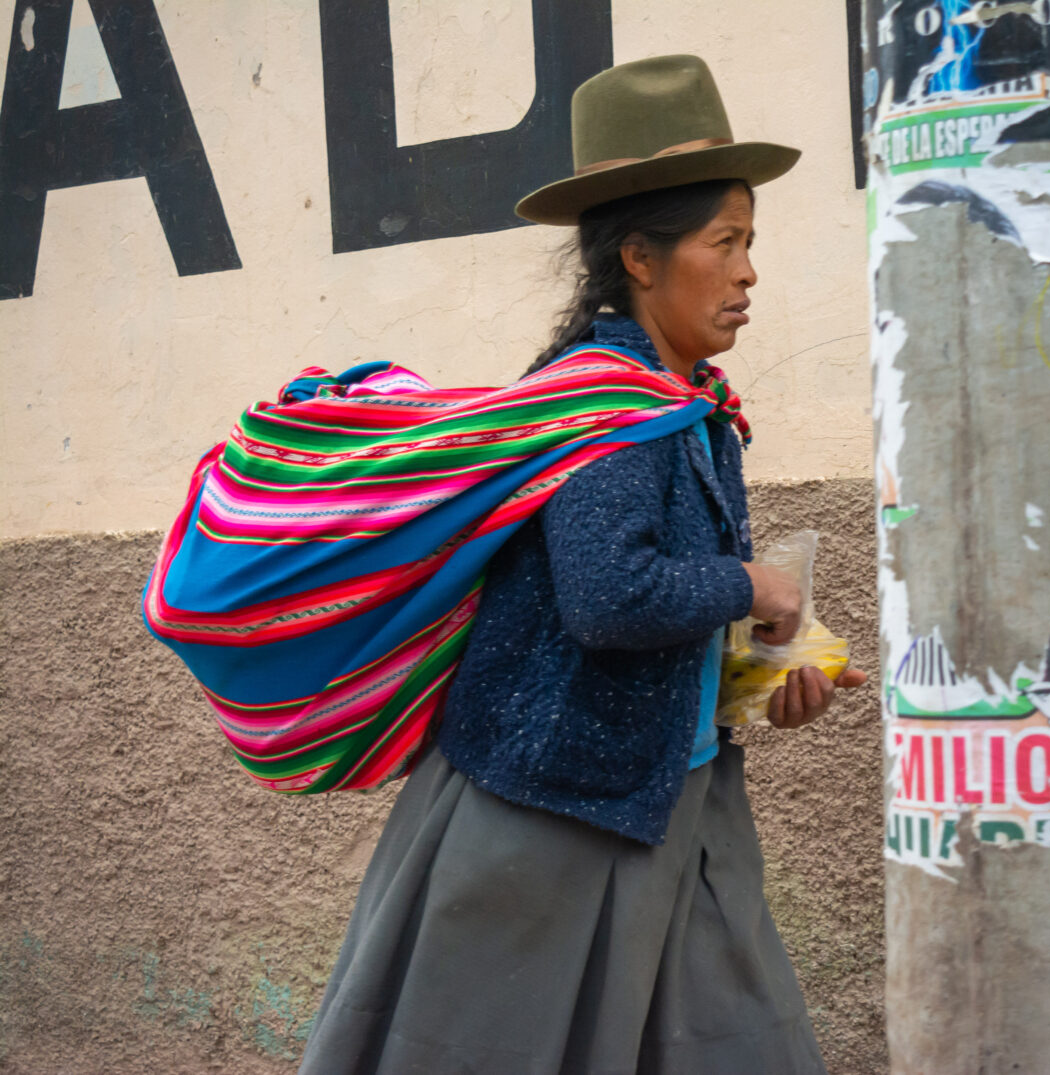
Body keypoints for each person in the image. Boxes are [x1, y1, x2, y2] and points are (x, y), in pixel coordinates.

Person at [297, 54, 866, 1075]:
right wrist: (757, 585)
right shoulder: (606, 410)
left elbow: (645, 609)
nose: (747, 273)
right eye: (723, 243)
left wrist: (766, 671)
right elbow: (609, 598)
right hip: (549, 825)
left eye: (750, 243)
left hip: (672, 810)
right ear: (640, 260)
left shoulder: (687, 408)